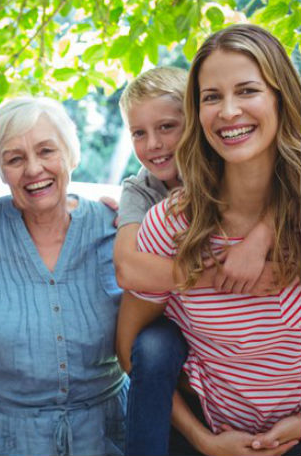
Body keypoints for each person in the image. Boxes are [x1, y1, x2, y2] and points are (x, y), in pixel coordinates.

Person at [118, 24, 300, 456]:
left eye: (248, 90)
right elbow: (131, 348)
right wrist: (205, 443)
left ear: (281, 97)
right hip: (212, 436)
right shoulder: (168, 221)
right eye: (212, 97)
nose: (230, 111)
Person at [0, 97, 127, 456]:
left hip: (103, 434)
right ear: (0, 171)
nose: (34, 169)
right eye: (15, 159)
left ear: (71, 154)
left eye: (47, 151)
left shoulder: (118, 228)